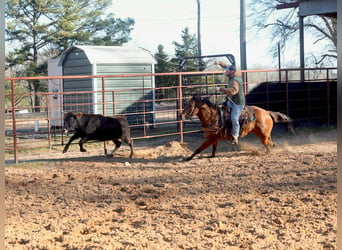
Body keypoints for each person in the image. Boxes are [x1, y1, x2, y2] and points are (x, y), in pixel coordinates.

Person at [215, 61, 245, 145]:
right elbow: (226, 66)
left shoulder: (235, 80)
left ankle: (235, 136)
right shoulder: (234, 73)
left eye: (227, 71)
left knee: (234, 119)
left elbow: (233, 91)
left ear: (232, 72)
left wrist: (220, 89)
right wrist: (219, 63)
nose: (225, 72)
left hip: (237, 104)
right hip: (231, 101)